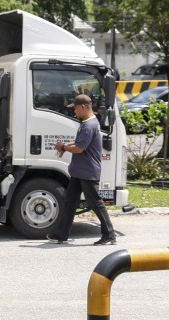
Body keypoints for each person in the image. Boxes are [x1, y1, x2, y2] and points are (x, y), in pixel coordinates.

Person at [47, 93, 117, 245]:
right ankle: (61, 234)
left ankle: (109, 234)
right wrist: (65, 147)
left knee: (95, 203)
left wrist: (63, 147)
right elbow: (78, 143)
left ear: (83, 107)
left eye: (76, 109)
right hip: (80, 171)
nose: (74, 112)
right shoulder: (89, 123)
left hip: (87, 171)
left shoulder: (88, 125)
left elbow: (79, 148)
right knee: (69, 201)